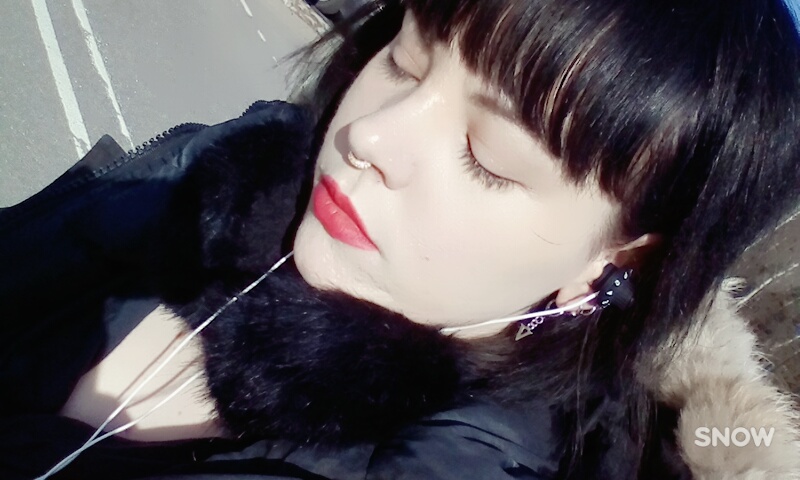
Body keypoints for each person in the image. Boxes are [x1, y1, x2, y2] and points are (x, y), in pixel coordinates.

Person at [2, 0, 800, 478]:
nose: (370, 136)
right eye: (406, 63)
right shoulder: (227, 172)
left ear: (613, 262)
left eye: (487, 158)